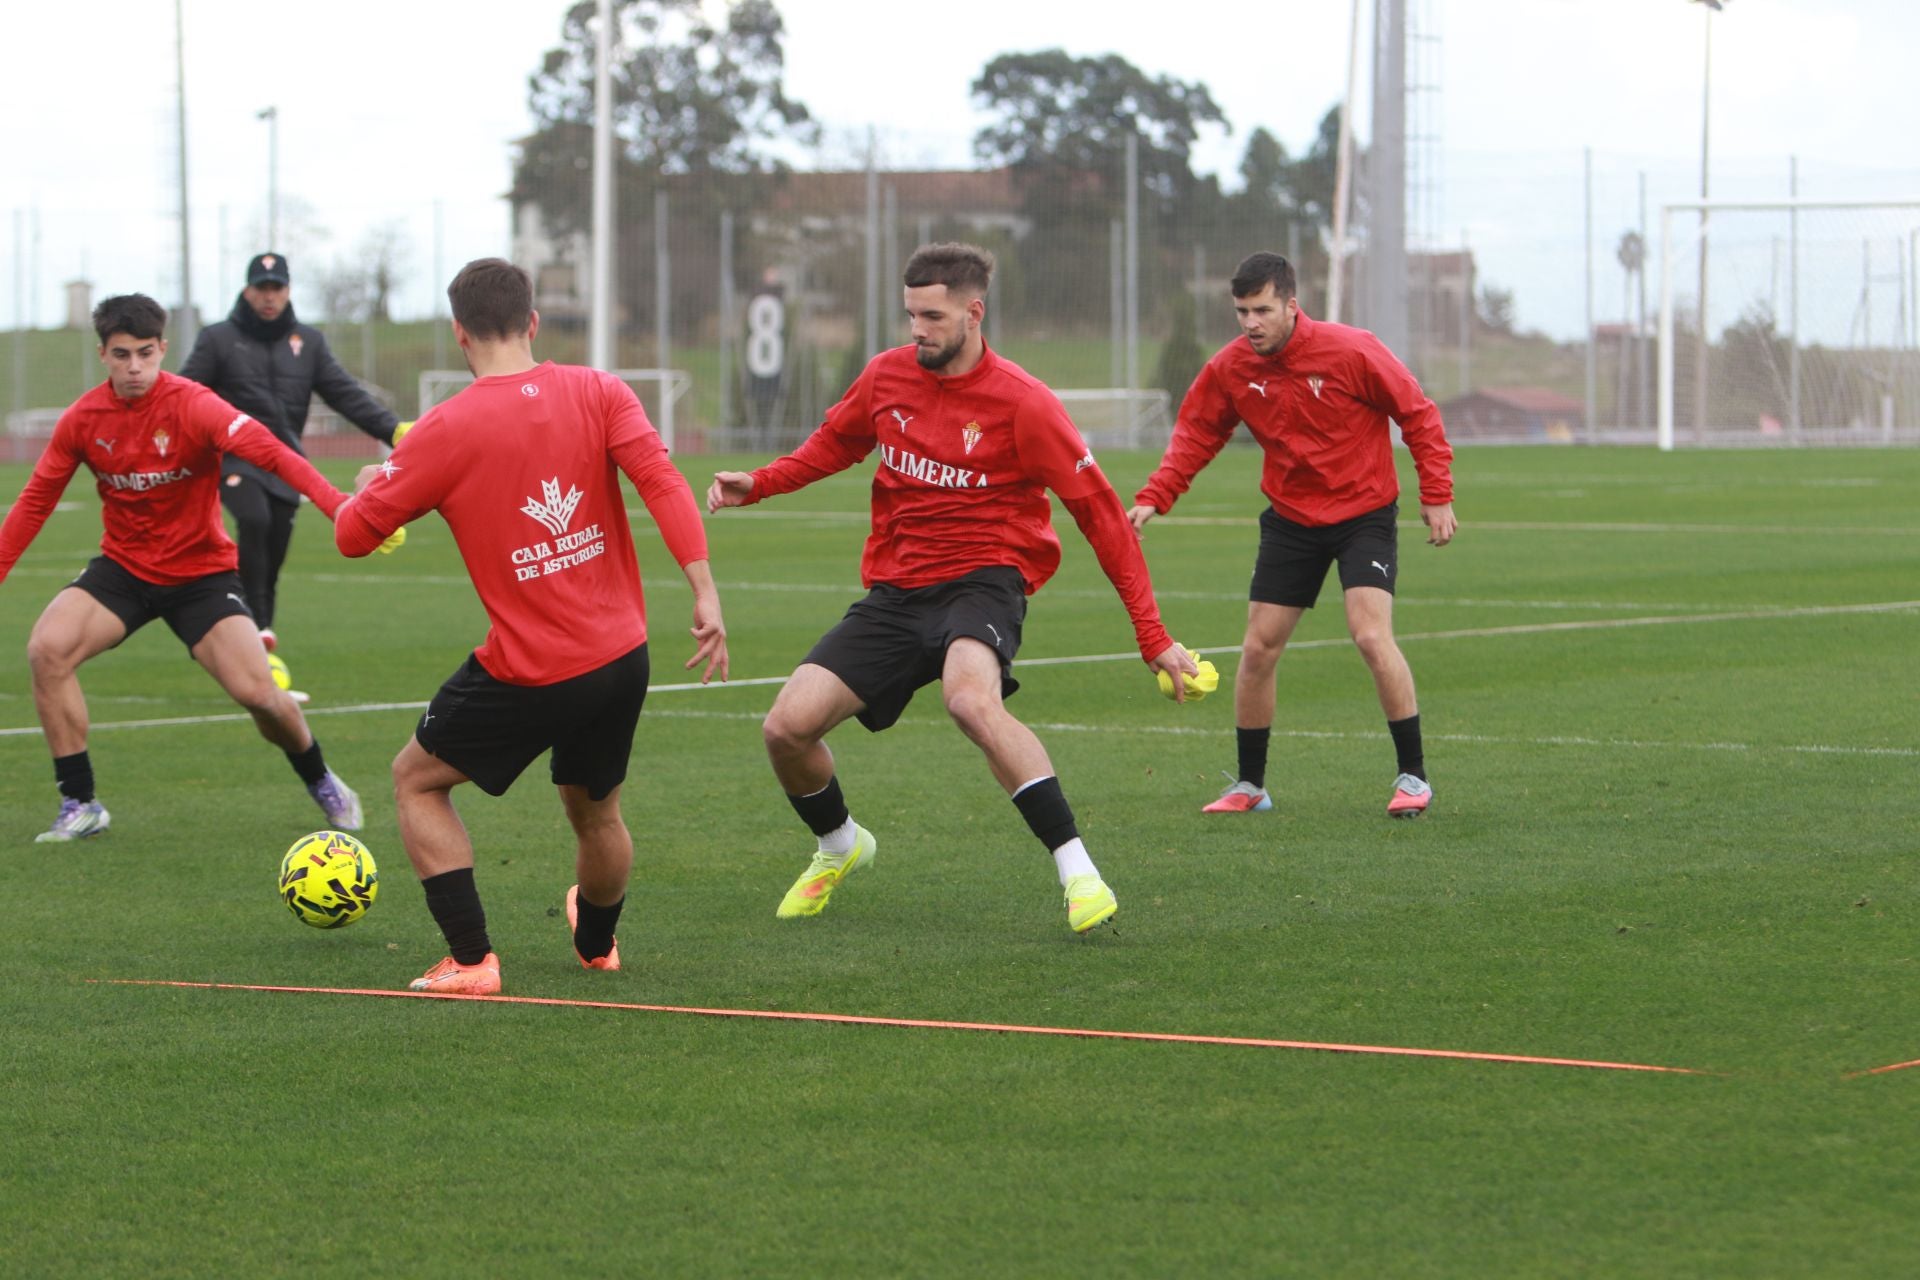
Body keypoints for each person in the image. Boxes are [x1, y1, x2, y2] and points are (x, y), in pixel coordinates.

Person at [708, 242, 1198, 936]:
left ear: (974, 312)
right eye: (911, 315)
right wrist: (759, 483)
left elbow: (1102, 517)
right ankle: (840, 844)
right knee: (785, 729)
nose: (918, 330)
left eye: (933, 317)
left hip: (985, 580)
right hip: (897, 588)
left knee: (969, 700)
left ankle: (1079, 872)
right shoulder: (887, 376)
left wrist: (1151, 634)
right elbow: (836, 443)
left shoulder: (1024, 403)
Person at [335, 258, 728, 996]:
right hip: (622, 655)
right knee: (597, 815)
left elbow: (353, 537)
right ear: (533, 322)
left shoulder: (443, 429)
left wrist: (369, 484)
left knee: (416, 780)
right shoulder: (600, 390)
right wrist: (703, 592)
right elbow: (662, 480)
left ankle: (471, 961)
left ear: (460, 334)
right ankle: (597, 945)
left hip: (532, 668)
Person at [0, 293, 369, 842]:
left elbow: (271, 452)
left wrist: (336, 503)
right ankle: (80, 802)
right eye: (121, 354)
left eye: (145, 353)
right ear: (103, 354)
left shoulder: (195, 405)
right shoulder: (82, 420)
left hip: (201, 575)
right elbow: (35, 502)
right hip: (124, 569)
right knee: (46, 650)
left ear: (162, 349)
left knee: (259, 694)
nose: (134, 367)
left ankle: (321, 779)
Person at [1128, 251, 1457, 818]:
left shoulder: (1352, 350)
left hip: (1363, 514)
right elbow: (1198, 433)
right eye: (1241, 311)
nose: (1250, 323)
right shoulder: (1231, 367)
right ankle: (1250, 786)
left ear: (1292, 306)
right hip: (1291, 520)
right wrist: (1157, 494)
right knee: (1258, 648)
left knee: (1370, 635)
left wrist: (1437, 492)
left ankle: (1413, 777)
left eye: (1262, 310)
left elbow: (1417, 413)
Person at [179, 252, 404, 681]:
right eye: (261, 288)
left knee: (273, 552)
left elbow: (344, 394)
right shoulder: (217, 339)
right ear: (247, 291)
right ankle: (254, 631)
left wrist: (393, 430)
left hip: (286, 463)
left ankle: (257, 634)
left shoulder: (308, 342)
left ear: (287, 291)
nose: (269, 296)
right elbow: (183, 395)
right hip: (234, 458)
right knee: (254, 519)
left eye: (277, 288)